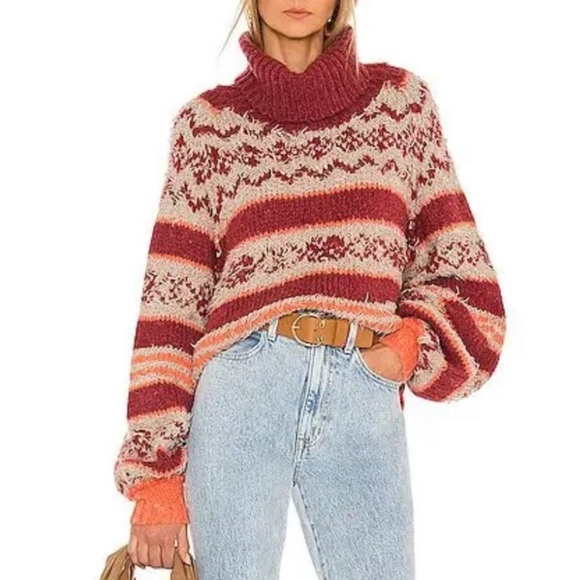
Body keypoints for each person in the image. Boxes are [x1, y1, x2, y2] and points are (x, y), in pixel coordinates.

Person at [113, 0, 507, 577]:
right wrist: (156, 479)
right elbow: (170, 304)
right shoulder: (206, 127)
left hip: (363, 387)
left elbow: (463, 272)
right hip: (241, 392)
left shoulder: (401, 106)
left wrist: (407, 347)